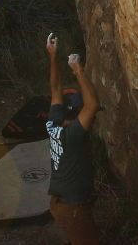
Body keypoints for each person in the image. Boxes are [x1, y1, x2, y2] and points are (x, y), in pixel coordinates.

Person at [45, 33, 101, 245]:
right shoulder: (73, 136)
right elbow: (92, 105)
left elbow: (55, 89)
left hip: (62, 202)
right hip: (73, 208)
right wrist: (78, 70)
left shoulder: (54, 124)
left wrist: (53, 56)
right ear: (78, 115)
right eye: (89, 118)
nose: (93, 121)